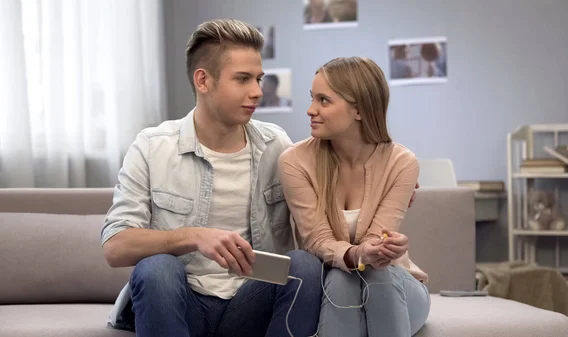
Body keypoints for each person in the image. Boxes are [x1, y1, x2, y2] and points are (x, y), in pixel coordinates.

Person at [100, 18, 322, 337]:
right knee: (157, 268)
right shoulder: (151, 146)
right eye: (243, 79)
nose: (257, 91)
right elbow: (115, 247)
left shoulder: (277, 145)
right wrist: (193, 236)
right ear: (203, 80)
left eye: (259, 79)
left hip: (252, 301)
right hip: (183, 301)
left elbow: (320, 207)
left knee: (303, 266)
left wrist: (374, 180)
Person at [278, 56, 429, 337]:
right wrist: (357, 254)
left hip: (396, 286)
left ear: (359, 110)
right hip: (335, 288)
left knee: (376, 272)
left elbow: (377, 239)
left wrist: (386, 248)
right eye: (312, 98)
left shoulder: (402, 162)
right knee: (340, 276)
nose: (311, 110)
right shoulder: (295, 162)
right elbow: (316, 241)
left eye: (324, 100)